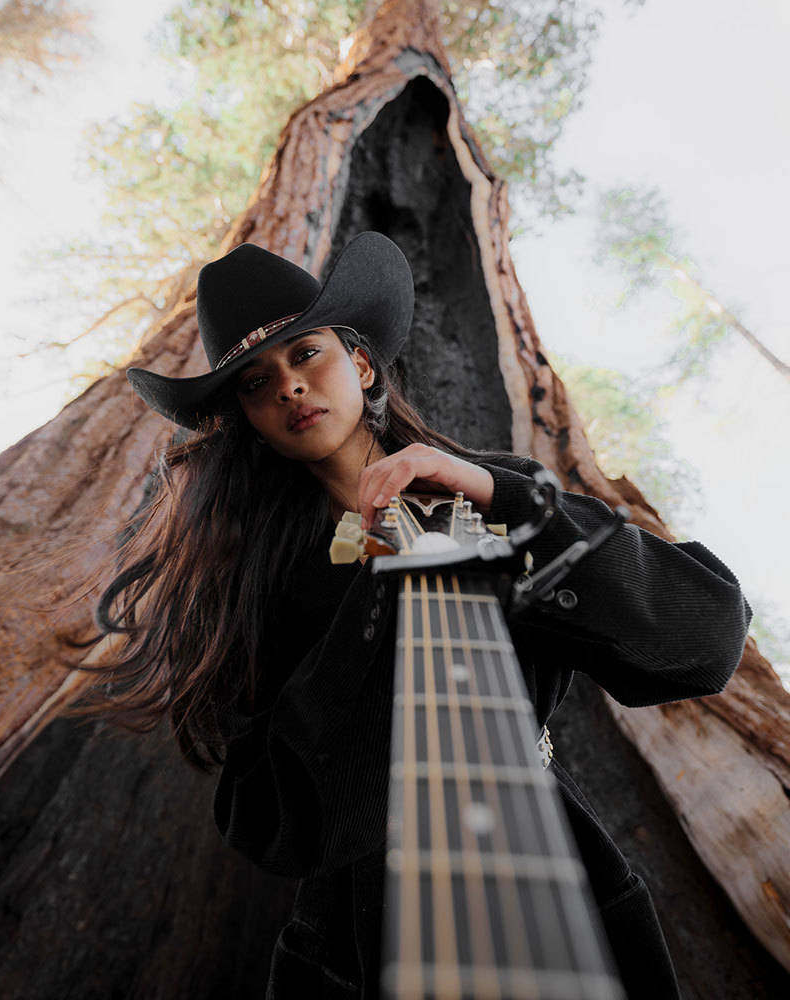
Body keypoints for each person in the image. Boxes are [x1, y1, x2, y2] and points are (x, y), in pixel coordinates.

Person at [89, 231, 750, 999]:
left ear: (361, 362)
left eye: (307, 354)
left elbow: (707, 641)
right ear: (251, 419)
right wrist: (376, 598)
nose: (289, 389)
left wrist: (503, 500)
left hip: (561, 894)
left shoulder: (500, 498)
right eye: (255, 383)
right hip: (366, 945)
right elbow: (267, 820)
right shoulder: (249, 590)